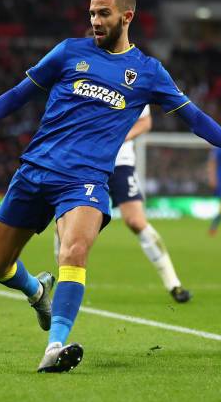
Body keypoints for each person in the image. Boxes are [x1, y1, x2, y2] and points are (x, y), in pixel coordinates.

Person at [0, 0, 221, 373]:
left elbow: (193, 117)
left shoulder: (148, 72)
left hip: (86, 180)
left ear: (127, 17)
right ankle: (36, 290)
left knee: (73, 252)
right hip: (36, 169)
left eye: (103, 14)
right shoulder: (68, 52)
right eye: (92, 13)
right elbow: (19, 94)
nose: (95, 20)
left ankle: (54, 345)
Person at [53, 105, 191, 303]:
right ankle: (64, 285)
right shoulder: (85, 78)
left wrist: (120, 136)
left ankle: (173, 283)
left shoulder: (134, 79)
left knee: (136, 221)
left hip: (120, 161)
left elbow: (145, 122)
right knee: (67, 221)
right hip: (84, 160)